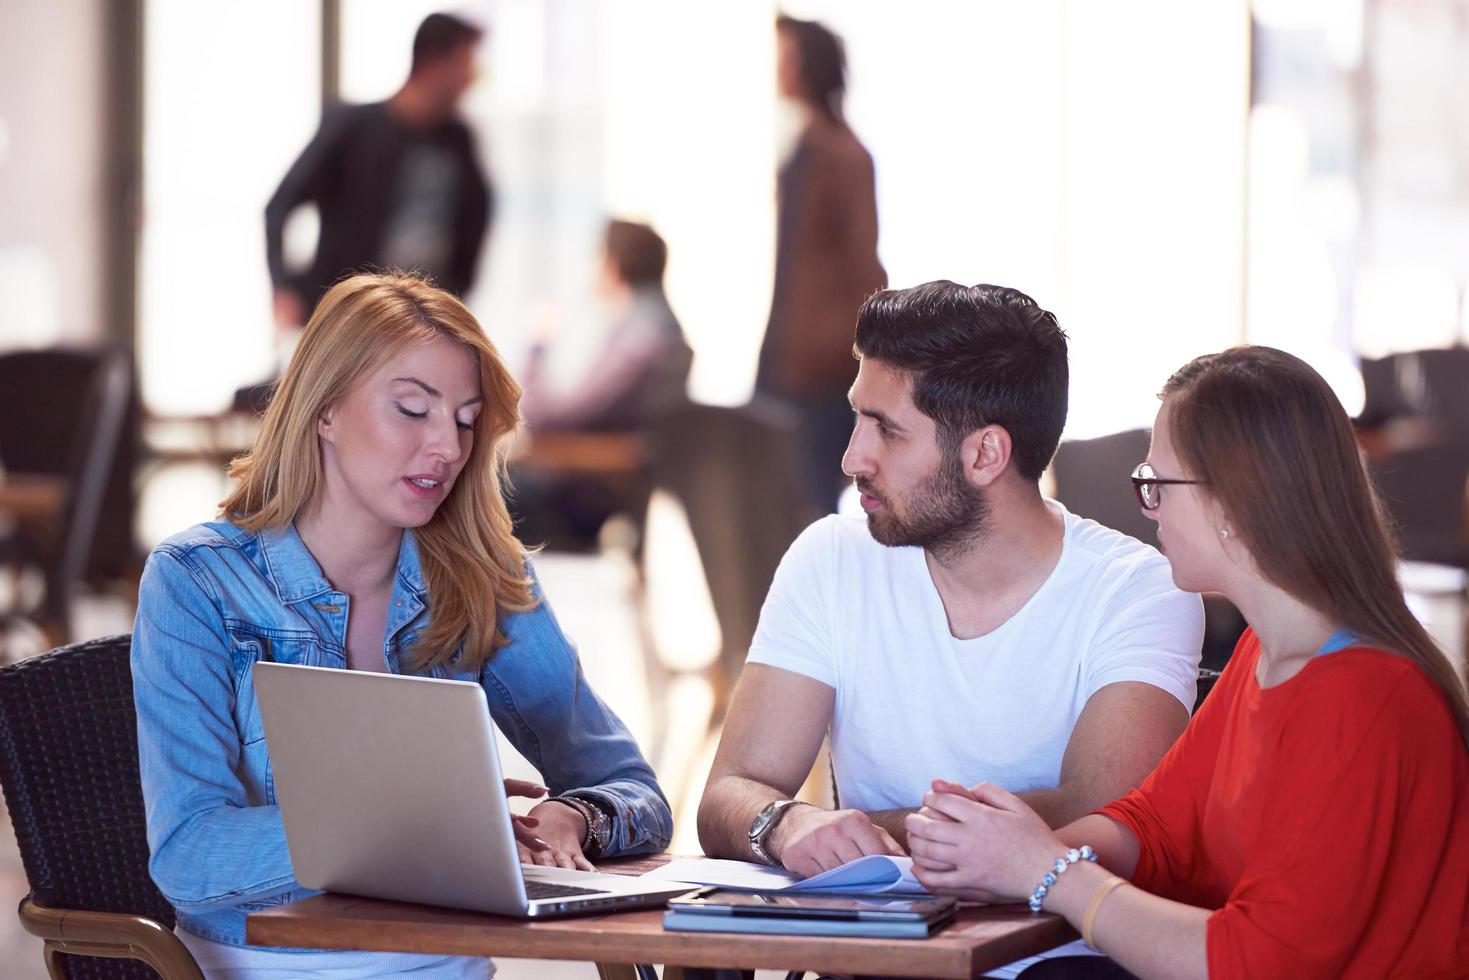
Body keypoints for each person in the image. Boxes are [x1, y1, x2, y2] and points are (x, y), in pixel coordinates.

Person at [132, 273, 672, 978]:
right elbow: (189, 856)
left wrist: (578, 816)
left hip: (444, 965)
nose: (447, 446)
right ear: (324, 409)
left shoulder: (482, 575)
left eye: (466, 419)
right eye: (413, 410)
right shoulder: (197, 581)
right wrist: (413, 829)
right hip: (262, 964)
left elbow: (634, 791)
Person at [907, 346, 1469, 978]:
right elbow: (1158, 826)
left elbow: (1258, 961)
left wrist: (1044, 871)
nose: (1148, 511)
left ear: (1231, 506)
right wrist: (1004, 853)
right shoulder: (1267, 652)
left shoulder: (1362, 696)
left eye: (1156, 485)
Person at [697, 282, 1203, 972]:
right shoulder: (831, 557)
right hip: (881, 960)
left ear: (985, 455)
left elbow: (1101, 814)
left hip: (1059, 964)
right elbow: (731, 791)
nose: (851, 458)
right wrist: (784, 823)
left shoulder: (1138, 589)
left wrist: (861, 833)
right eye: (856, 419)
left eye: (887, 429)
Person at [265, 12, 494, 331]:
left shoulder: (459, 141)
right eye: (466, 63)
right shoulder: (353, 127)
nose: (471, 78)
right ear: (434, 62)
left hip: (422, 325)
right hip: (348, 318)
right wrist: (283, 287)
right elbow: (280, 205)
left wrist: (456, 295)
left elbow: (476, 218)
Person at [754, 14, 886, 513]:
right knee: (773, 501)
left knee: (807, 507)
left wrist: (845, 349)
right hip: (785, 354)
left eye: (786, 58)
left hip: (819, 366)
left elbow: (862, 265)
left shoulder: (844, 156)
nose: (778, 70)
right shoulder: (803, 149)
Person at [520, 219, 692, 432]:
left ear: (612, 267)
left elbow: (554, 416)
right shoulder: (663, 328)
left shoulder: (640, 339)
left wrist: (537, 347)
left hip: (599, 460)